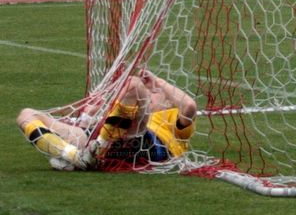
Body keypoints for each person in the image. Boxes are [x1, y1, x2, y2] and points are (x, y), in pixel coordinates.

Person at [17, 69, 197, 171]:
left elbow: (190, 106)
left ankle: (95, 151)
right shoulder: (125, 114)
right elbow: (94, 124)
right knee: (26, 115)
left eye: (155, 94)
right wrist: (89, 115)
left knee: (133, 83)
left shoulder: (171, 117)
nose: (150, 93)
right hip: (107, 142)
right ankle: (75, 156)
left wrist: (158, 82)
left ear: (167, 105)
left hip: (143, 144)